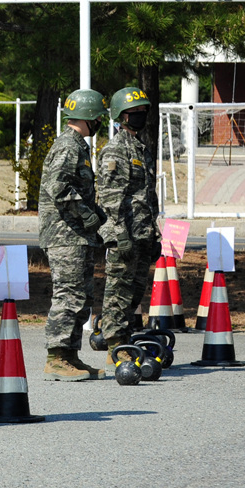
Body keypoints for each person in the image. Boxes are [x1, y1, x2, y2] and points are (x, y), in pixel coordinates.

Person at [40, 89, 109, 381]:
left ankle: (70, 356)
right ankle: (55, 358)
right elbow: (59, 187)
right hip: (65, 236)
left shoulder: (77, 145)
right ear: (90, 117)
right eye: (99, 117)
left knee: (81, 296)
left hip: (77, 236)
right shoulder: (68, 145)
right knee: (68, 296)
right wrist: (90, 216)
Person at [98, 87, 161, 359]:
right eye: (133, 112)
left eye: (142, 111)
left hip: (143, 233)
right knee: (118, 291)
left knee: (134, 292)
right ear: (120, 117)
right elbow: (111, 198)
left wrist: (154, 235)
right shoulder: (115, 150)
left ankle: (122, 335)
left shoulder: (141, 148)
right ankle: (114, 343)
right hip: (125, 235)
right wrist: (118, 235)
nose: (140, 116)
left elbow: (147, 196)